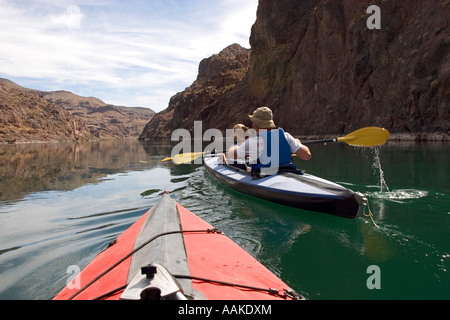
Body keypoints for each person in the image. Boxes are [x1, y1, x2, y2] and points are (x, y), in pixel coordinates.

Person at [225, 106, 311, 176]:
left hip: (264, 176)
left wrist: (236, 147)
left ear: (255, 125)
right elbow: (307, 156)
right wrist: (298, 144)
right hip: (287, 171)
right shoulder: (286, 136)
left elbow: (232, 154)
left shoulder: (253, 141)